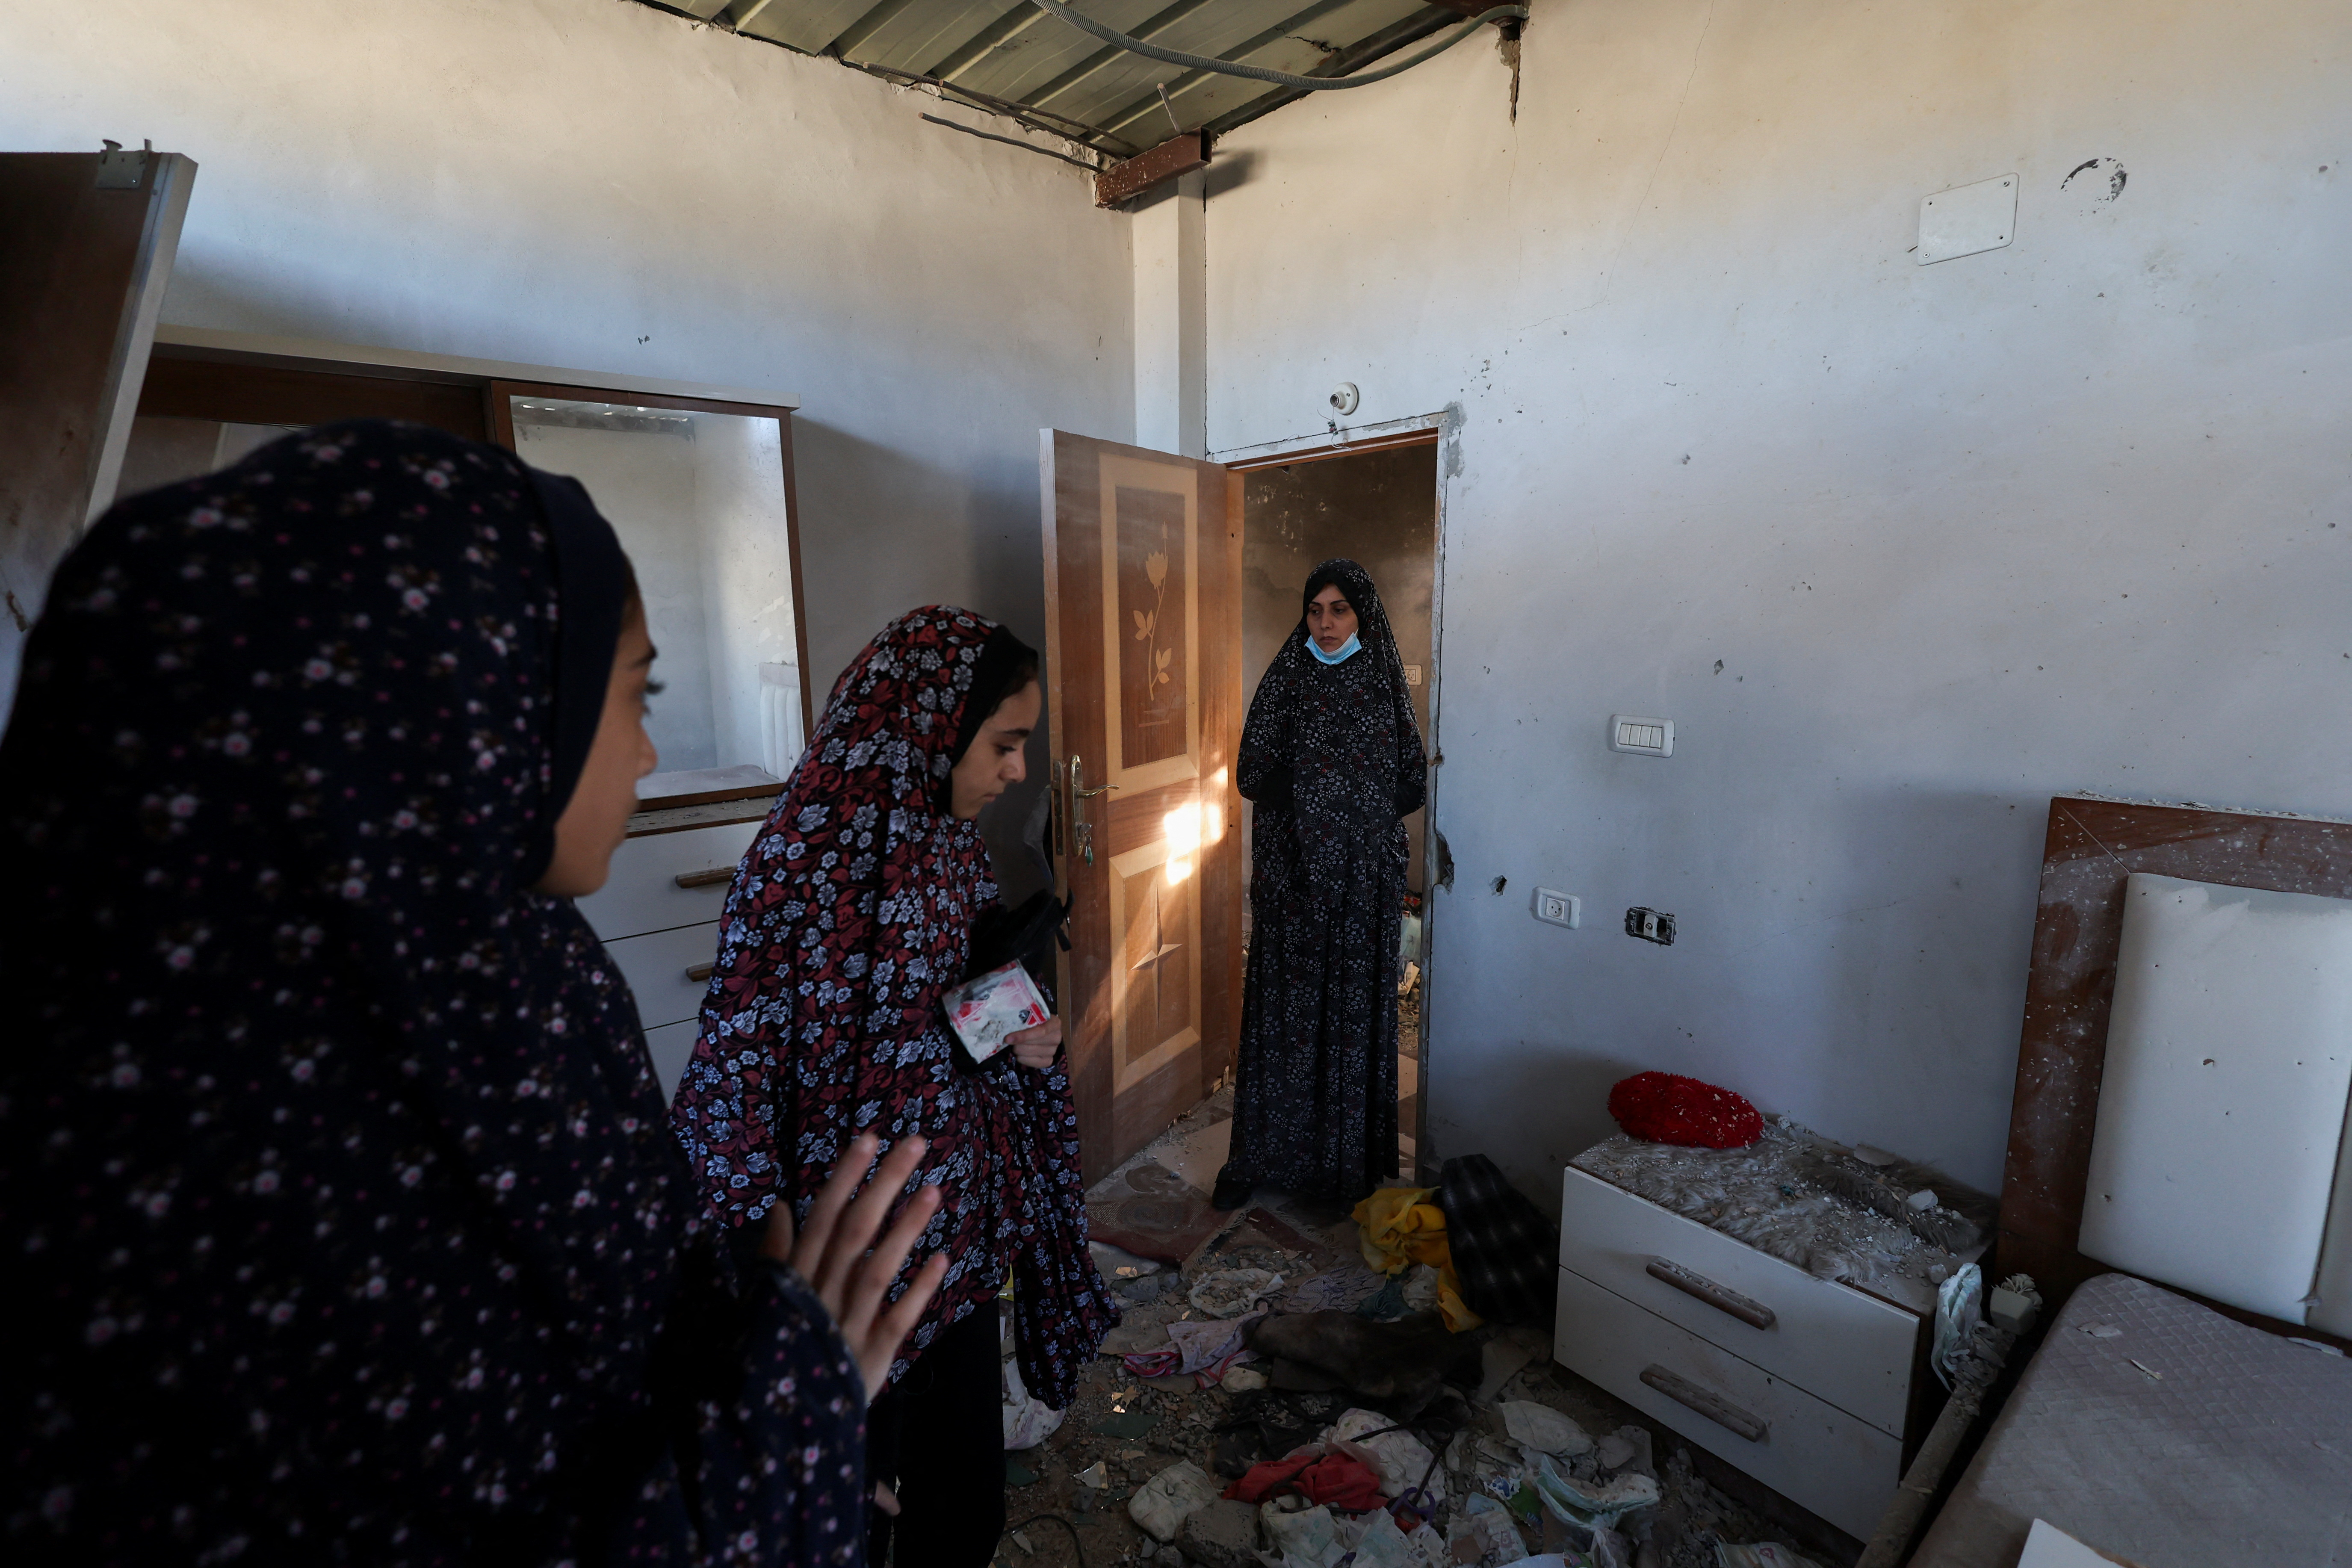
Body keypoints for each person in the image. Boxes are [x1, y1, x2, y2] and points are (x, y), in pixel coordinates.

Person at [0, 420, 942, 1565]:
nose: (647, 756)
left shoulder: (513, 976)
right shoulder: (245, 1187)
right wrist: (793, 1419)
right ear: (461, 704)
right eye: (636, 695)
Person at [672, 608, 1119, 1568]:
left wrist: (1021, 1030)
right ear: (928, 723)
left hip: (943, 1248)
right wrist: (760, 1312)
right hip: (836, 1279)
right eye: (1003, 745)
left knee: (960, 1509)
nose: (1013, 772)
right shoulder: (788, 878)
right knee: (854, 1521)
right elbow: (731, 1099)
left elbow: (941, 1014)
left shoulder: (946, 847)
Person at [1212, 558, 1428, 1211]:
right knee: (1285, 1021)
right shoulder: (1289, 677)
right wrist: (1330, 795)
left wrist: (1335, 800)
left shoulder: (1381, 681)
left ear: (1362, 613)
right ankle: (1262, 1159)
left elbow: (1411, 782)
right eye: (1316, 610)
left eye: (1339, 610)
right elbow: (1253, 773)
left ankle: (1341, 1174)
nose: (1327, 624)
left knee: (1347, 1024)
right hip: (1294, 886)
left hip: (1360, 892)